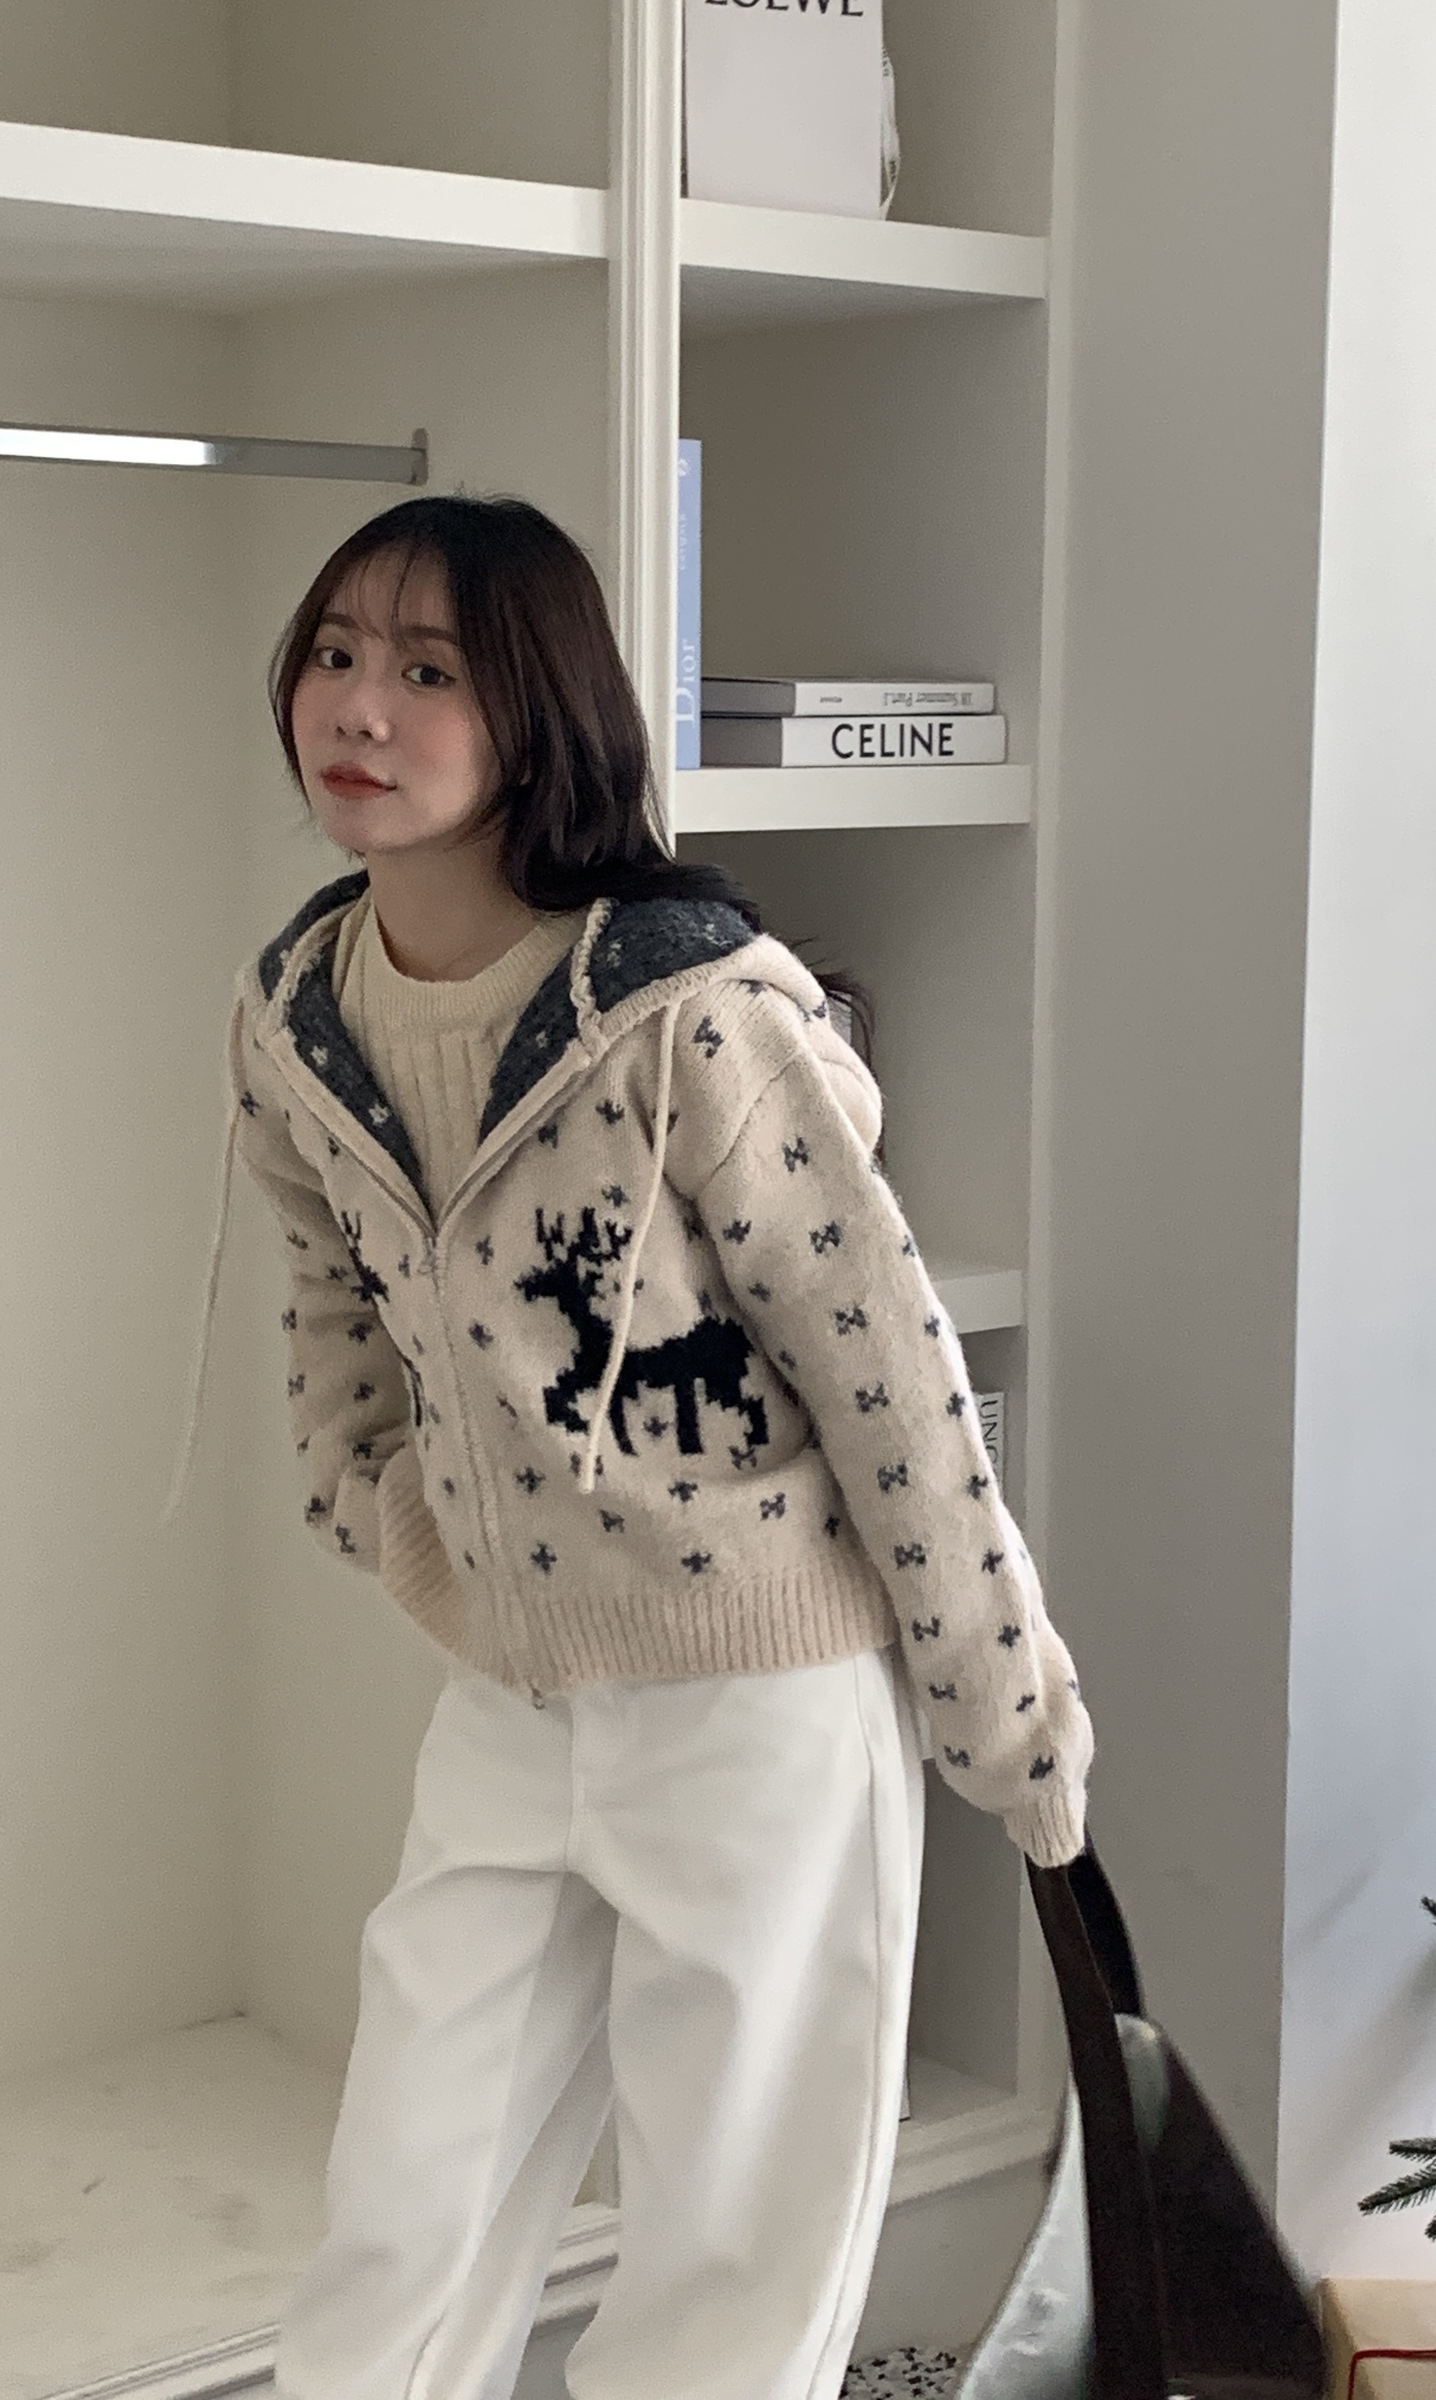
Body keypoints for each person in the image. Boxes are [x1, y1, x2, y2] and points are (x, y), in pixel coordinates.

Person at [167, 494, 1093, 2400]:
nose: (360, 706)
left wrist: (1006, 1710)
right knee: (406, 2210)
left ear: (540, 713)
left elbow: (887, 1370)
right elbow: (329, 1307)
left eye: (430, 670)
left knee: (733, 2257)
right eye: (335, 653)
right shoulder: (296, 1014)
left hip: (761, 1702)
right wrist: (388, 1523)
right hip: (512, 1702)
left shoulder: (694, 1015)